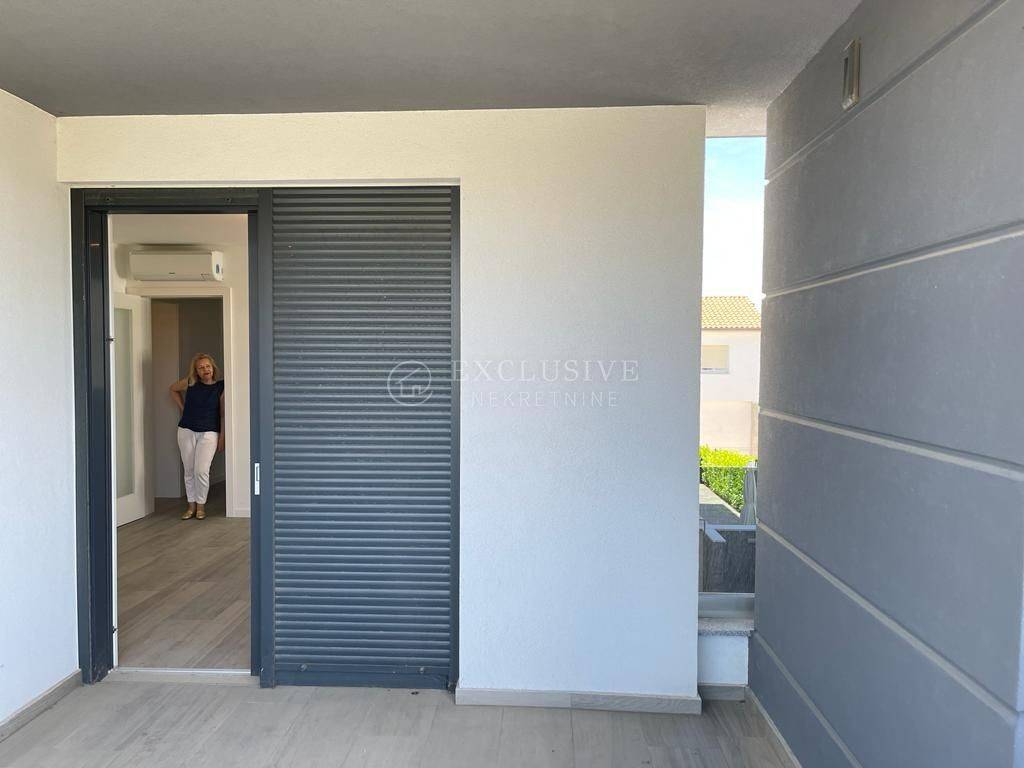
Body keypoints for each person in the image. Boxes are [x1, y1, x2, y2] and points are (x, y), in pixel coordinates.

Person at [170, 353, 225, 520]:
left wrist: (222, 437)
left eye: (207, 366)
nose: (205, 370)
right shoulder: (190, 382)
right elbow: (173, 389)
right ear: (196, 371)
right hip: (186, 429)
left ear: (213, 368)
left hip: (209, 431)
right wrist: (183, 408)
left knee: (201, 470)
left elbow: (223, 414)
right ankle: (191, 506)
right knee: (189, 470)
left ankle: (201, 506)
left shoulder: (221, 386)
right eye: (201, 367)